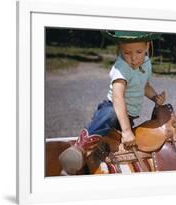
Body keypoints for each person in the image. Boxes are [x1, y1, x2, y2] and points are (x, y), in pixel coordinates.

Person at [59, 31, 166, 175]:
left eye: (139, 52)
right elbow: (118, 97)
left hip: (128, 117)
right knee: (110, 114)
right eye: (127, 52)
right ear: (120, 48)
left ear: (147, 46)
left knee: (125, 144)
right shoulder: (121, 67)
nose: (133, 58)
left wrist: (154, 97)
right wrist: (127, 131)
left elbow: (144, 85)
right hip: (113, 108)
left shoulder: (146, 63)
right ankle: (79, 148)